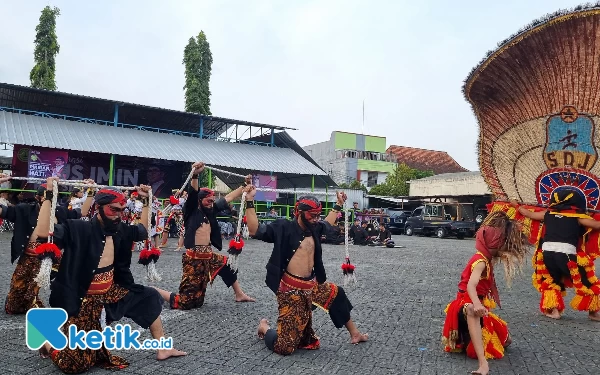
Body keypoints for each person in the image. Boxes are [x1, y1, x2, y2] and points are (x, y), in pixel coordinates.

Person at [35, 177, 186, 373]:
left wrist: (146, 200)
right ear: (99, 207)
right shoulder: (78, 228)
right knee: (74, 364)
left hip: (111, 291)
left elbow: (142, 230)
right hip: (82, 300)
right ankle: (45, 339)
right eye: (113, 210)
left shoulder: (121, 230)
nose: (118, 216)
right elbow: (41, 233)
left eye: (122, 211)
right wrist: (48, 194)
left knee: (149, 297)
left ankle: (163, 348)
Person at [247, 189, 368, 356]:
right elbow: (254, 230)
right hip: (291, 292)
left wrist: (339, 204)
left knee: (336, 293)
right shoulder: (283, 227)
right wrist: (248, 201)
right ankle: (264, 327)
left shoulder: (315, 228)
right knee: (285, 347)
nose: (316, 219)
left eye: (318, 215)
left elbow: (328, 222)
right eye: (312, 215)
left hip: (312, 287)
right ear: (298, 212)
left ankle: (355, 334)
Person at [153, 162, 255, 310]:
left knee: (228, 265)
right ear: (200, 201)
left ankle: (239, 294)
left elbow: (228, 198)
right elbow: (193, 192)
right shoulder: (191, 211)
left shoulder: (211, 210)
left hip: (208, 256)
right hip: (194, 259)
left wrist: (244, 186)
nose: (211, 204)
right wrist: (195, 175)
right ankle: (155, 291)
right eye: (208, 201)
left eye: (213, 201)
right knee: (186, 302)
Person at [442, 211, 529, 375]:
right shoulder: (481, 261)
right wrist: (476, 304)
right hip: (465, 303)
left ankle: (469, 338)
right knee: (472, 312)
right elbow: (470, 286)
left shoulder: (485, 258)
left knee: (506, 340)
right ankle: (483, 365)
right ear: (493, 243)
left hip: (477, 303)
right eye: (502, 243)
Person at [0, 174, 93, 314]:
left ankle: (36, 303)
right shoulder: (24, 209)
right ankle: (21, 302)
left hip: (49, 259)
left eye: (51, 196)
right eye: (45, 196)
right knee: (13, 305)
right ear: (37, 197)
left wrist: (91, 191)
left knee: (33, 291)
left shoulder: (60, 212)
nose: (48, 199)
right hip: (27, 258)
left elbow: (83, 212)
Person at [511, 189, 600, 321]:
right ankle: (593, 313)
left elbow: (526, 213)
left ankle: (554, 311)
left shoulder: (548, 214)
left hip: (547, 254)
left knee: (551, 281)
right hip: (567, 255)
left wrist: (515, 205)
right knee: (586, 282)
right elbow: (598, 225)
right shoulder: (578, 217)